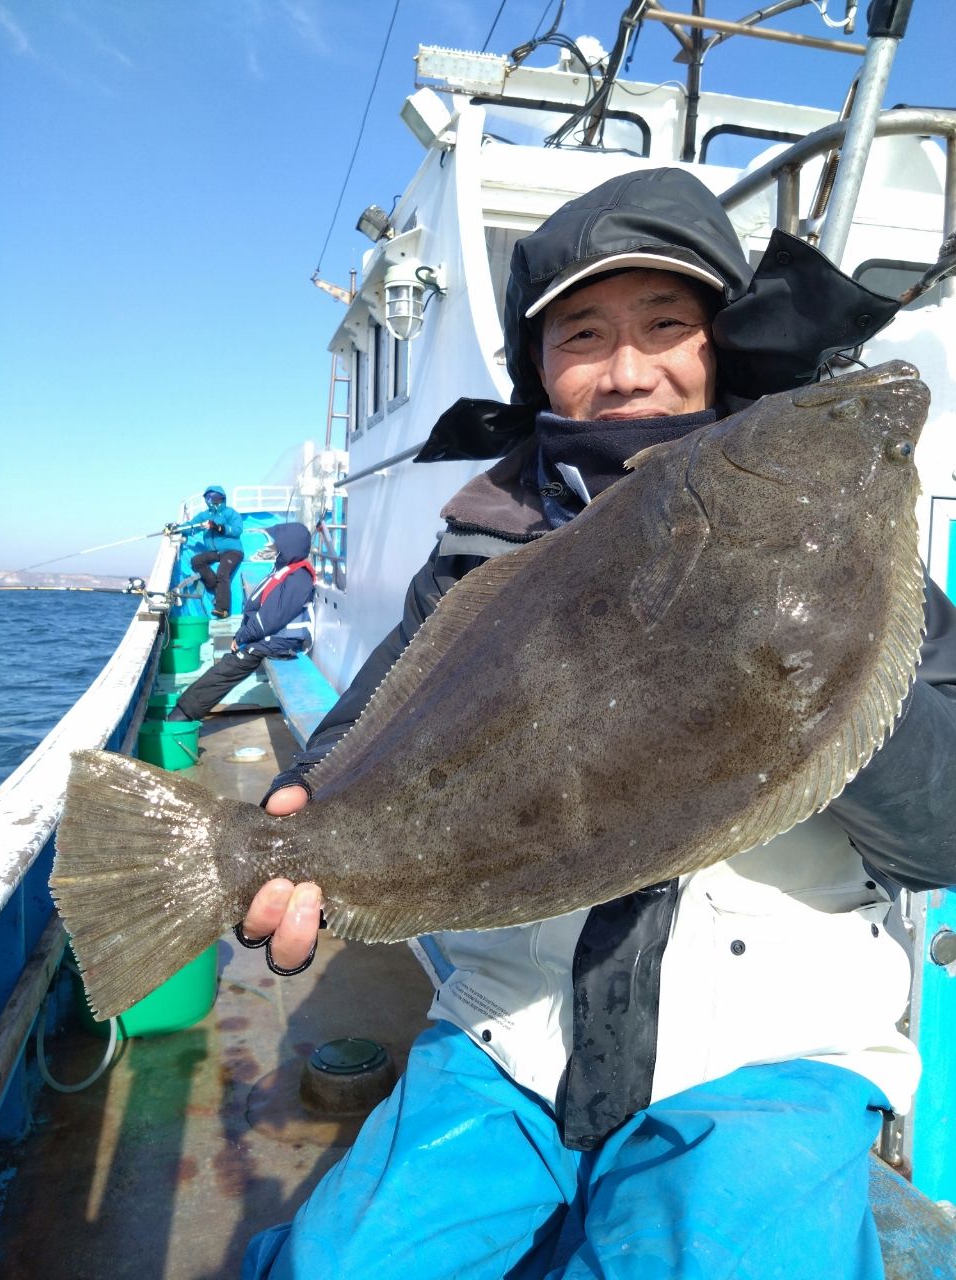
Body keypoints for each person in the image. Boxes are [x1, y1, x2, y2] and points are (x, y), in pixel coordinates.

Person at [238, 169, 956, 1279]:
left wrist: (798, 647)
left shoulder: (864, 571)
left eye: (667, 324)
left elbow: (944, 830)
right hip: (509, 1035)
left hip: (770, 1053)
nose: (627, 369)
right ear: (539, 365)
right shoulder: (480, 550)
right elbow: (371, 725)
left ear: (721, 344)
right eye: (582, 334)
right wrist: (304, 819)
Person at [167, 523, 317, 723]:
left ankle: (181, 716)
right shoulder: (285, 569)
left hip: (280, 642)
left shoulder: (298, 578)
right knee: (228, 664)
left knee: (230, 666)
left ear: (289, 545)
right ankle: (181, 711)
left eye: (277, 541)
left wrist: (242, 637)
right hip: (268, 637)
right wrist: (242, 635)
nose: (272, 544)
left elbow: (270, 619)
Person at [169, 484, 244, 618]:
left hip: (232, 550)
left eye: (214, 496)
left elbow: (237, 530)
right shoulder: (205, 515)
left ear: (222, 498)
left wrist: (219, 527)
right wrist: (176, 529)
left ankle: (223, 609)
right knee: (196, 561)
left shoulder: (230, 513)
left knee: (222, 572)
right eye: (208, 497)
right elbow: (191, 526)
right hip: (216, 552)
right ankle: (216, 588)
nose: (211, 500)